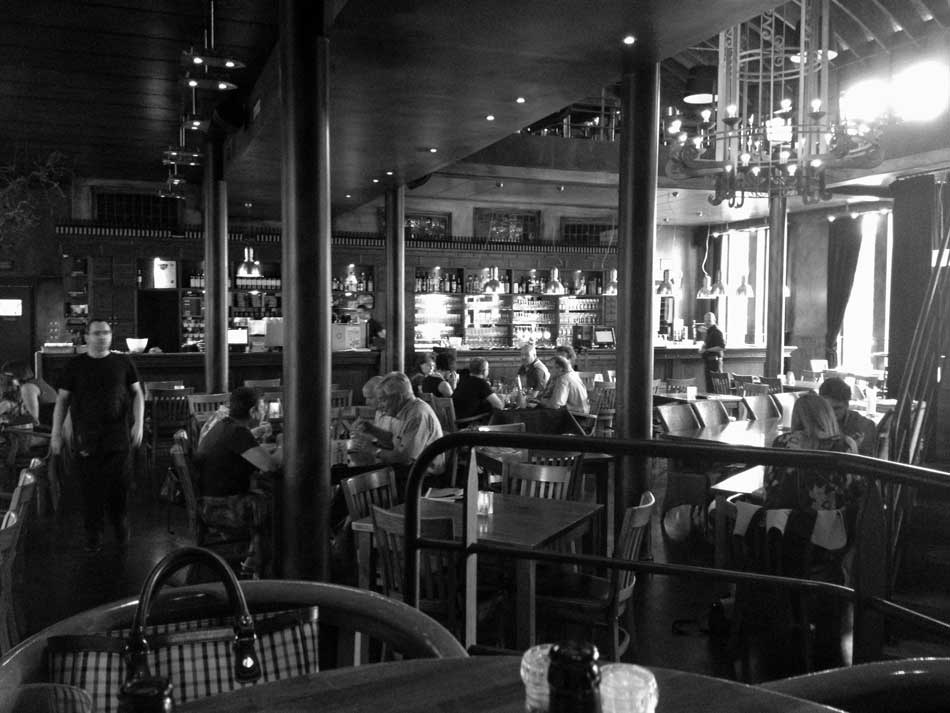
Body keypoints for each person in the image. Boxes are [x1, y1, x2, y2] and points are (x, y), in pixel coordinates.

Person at [50, 319, 145, 553]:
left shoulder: (123, 362)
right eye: (97, 333)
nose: (102, 336)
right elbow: (62, 400)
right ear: (87, 337)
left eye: (106, 332)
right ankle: (93, 535)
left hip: (118, 435)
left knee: (120, 486)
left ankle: (120, 525)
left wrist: (139, 423)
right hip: (86, 437)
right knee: (90, 489)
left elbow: (137, 394)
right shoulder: (75, 365)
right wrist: (56, 433)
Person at [194, 386, 281, 576]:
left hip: (207, 502)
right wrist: (287, 445)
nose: (264, 412)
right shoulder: (238, 433)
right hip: (221, 508)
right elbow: (270, 466)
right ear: (253, 411)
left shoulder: (223, 425)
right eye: (262, 407)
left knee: (268, 495)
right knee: (278, 502)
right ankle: (266, 567)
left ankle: (254, 559)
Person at [353, 372, 444, 481]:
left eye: (383, 400)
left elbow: (405, 458)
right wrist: (371, 429)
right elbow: (394, 442)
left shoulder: (417, 414)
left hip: (422, 478)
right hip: (408, 470)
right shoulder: (405, 410)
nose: (380, 406)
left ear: (398, 397)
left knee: (361, 478)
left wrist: (374, 451)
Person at [819, 377, 878, 457]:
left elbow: (866, 460)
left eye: (836, 408)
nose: (831, 413)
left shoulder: (865, 426)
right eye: (827, 408)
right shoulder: (811, 422)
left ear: (847, 405)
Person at [0, 360, 57, 425]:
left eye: (5, 377)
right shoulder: (34, 384)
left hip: (46, 429)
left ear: (16, 376)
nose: (4, 380)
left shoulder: (28, 388)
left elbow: (32, 420)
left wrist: (5, 421)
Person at [698, 311, 725, 392]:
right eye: (705, 321)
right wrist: (703, 347)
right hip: (709, 362)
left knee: (714, 388)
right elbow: (709, 343)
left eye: (709, 320)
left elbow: (721, 347)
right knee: (709, 388)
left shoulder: (717, 331)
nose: (707, 323)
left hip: (714, 363)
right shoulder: (710, 331)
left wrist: (707, 350)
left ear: (714, 320)